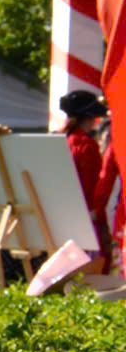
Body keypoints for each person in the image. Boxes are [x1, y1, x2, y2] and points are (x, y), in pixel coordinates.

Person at [58, 89, 117, 264]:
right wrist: (103, 227)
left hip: (64, 217)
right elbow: (94, 191)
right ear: (90, 117)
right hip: (86, 221)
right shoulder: (86, 145)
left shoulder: (62, 140)